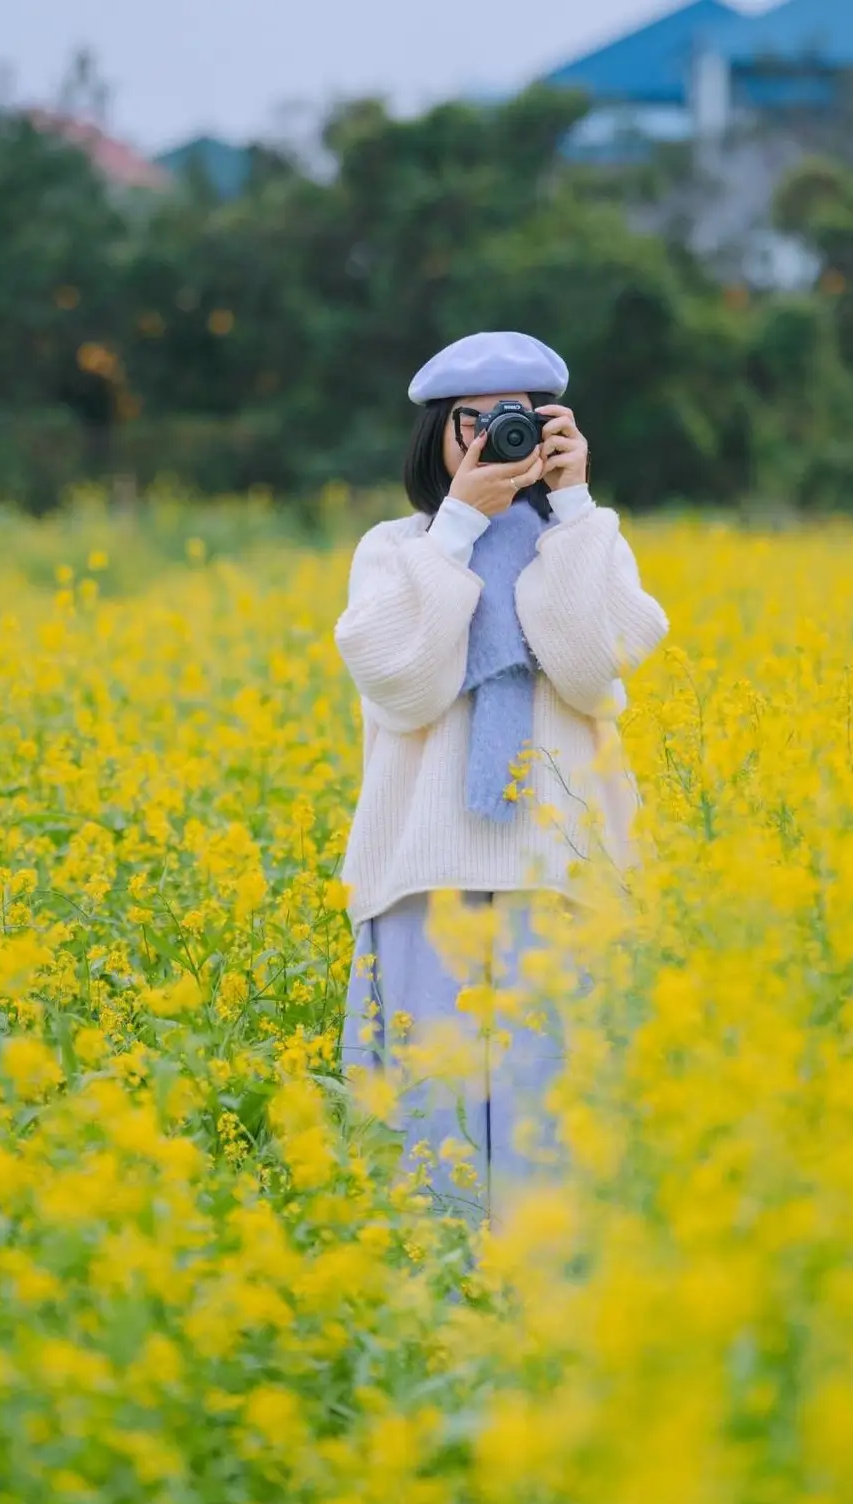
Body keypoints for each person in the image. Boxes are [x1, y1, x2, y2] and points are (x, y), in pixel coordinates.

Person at [336, 331, 668, 1224]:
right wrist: (458, 528)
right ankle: (437, 1298)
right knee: (426, 1132)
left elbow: (592, 673)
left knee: (557, 1140)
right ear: (436, 437)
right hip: (425, 881)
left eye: (515, 421)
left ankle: (551, 1302)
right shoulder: (397, 549)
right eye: (471, 424)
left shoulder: (588, 543)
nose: (493, 441)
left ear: (555, 429)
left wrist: (575, 505)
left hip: (561, 877)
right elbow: (403, 686)